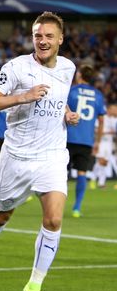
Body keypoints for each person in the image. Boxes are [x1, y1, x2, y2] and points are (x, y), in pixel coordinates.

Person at [0, 11, 79, 291]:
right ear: (32, 38)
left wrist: (66, 113)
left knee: (55, 219)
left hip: (52, 156)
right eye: (37, 36)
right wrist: (23, 97)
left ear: (60, 39)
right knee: (1, 215)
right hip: (17, 156)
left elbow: (57, 98)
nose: (42, 41)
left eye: (48, 36)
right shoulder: (16, 68)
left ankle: (34, 285)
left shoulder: (68, 68)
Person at [66, 64, 106, 217]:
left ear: (79, 75)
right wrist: (98, 142)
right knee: (82, 173)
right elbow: (101, 121)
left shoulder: (72, 91)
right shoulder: (98, 95)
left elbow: (62, 109)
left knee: (62, 173)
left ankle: (57, 203)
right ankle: (76, 208)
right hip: (87, 140)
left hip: (68, 137)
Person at [91, 104, 117, 189]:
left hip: (109, 143)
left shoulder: (114, 119)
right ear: (109, 109)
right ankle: (95, 180)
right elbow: (95, 129)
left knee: (105, 163)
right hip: (101, 142)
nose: (115, 111)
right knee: (101, 161)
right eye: (114, 109)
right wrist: (106, 132)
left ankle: (99, 182)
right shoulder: (101, 117)